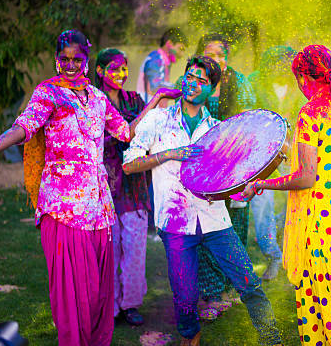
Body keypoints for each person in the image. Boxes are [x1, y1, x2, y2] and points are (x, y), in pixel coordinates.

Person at [0, 30, 178, 346]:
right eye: (64, 59)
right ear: (56, 59)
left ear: (86, 60)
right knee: (71, 292)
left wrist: (155, 100)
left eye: (77, 59)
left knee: (95, 293)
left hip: (99, 209)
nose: (71, 65)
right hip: (62, 208)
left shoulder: (99, 98)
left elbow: (126, 133)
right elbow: (22, 128)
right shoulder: (47, 93)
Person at [123, 56, 283, 346]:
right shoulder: (158, 119)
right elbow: (129, 164)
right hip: (175, 225)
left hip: (216, 221)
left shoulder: (218, 130)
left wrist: (245, 189)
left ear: (212, 90)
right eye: (190, 76)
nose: (193, 84)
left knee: (249, 283)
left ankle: (272, 339)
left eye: (202, 80)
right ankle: (190, 338)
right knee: (184, 296)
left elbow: (228, 179)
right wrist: (170, 154)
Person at [243, 45, 331, 345]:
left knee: (324, 312)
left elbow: (306, 177)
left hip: (320, 229)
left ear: (304, 77)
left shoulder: (311, 112)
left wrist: (263, 184)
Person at [194, 33, 257, 316]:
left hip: (235, 167)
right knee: (207, 227)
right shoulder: (196, 81)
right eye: (211, 54)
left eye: (222, 55)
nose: (217, 60)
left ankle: (230, 287)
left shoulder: (239, 82)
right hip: (205, 168)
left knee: (235, 227)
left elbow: (248, 122)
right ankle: (210, 291)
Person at [95, 48, 151, 326]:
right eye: (114, 68)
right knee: (109, 248)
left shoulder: (134, 99)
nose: (120, 74)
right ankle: (110, 306)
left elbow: (143, 132)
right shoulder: (93, 101)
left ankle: (130, 304)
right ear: (100, 71)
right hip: (102, 185)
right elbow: (110, 136)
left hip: (134, 184)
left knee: (135, 247)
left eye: (124, 68)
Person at [247, 46, 306, 280]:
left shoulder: (299, 84)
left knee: (293, 203)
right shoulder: (254, 82)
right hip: (262, 155)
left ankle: (291, 255)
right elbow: (250, 116)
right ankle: (273, 256)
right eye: (278, 62)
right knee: (262, 207)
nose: (283, 67)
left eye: (288, 63)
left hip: (291, 153)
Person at [136, 27, 188, 103]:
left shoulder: (164, 62)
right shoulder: (156, 58)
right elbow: (156, 87)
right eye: (180, 49)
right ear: (169, 44)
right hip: (147, 111)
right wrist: (181, 88)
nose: (182, 54)